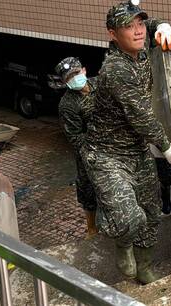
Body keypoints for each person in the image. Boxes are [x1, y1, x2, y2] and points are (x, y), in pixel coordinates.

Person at [84, 0, 171, 284]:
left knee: (151, 213)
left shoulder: (141, 50)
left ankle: (145, 266)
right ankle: (120, 237)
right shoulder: (116, 69)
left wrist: (160, 25)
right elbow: (141, 117)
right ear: (112, 34)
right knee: (129, 218)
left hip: (136, 151)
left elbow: (150, 27)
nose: (139, 31)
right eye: (129, 26)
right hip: (107, 155)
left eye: (140, 23)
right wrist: (166, 147)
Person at [56, 57, 99, 239]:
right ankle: (91, 228)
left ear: (84, 70)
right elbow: (76, 138)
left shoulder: (101, 84)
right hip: (89, 150)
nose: (74, 78)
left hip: (115, 143)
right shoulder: (67, 105)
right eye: (68, 78)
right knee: (88, 189)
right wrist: (93, 156)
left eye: (75, 73)